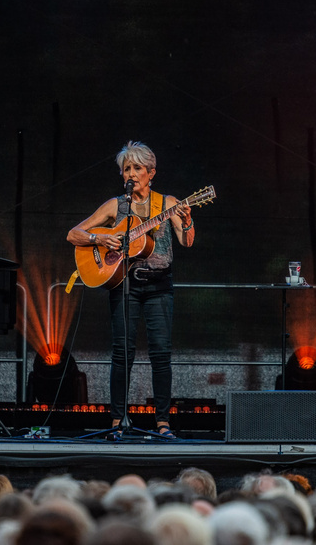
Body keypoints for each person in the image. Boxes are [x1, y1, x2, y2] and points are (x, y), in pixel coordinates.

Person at [67, 141, 195, 439]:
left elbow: (187, 242)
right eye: (127, 168)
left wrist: (187, 220)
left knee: (161, 354)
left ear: (151, 172)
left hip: (160, 287)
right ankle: (117, 420)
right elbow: (73, 233)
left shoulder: (167, 204)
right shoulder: (116, 205)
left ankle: (162, 422)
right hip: (124, 285)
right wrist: (102, 241)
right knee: (122, 354)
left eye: (138, 168)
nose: (132, 173)